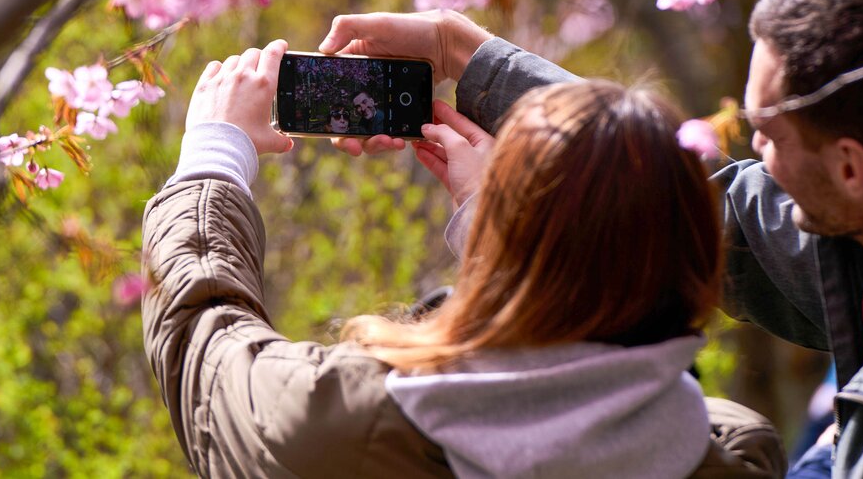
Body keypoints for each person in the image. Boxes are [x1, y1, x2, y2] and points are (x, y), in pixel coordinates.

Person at [320, 0, 863, 478]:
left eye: (766, 134)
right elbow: (697, 200)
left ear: (851, 168)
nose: (752, 153)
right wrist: (461, 55)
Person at [141, 40, 784, 478]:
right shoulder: (735, 454)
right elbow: (622, 352)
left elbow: (206, 348)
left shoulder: (351, 425)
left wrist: (214, 156)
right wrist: (506, 230)